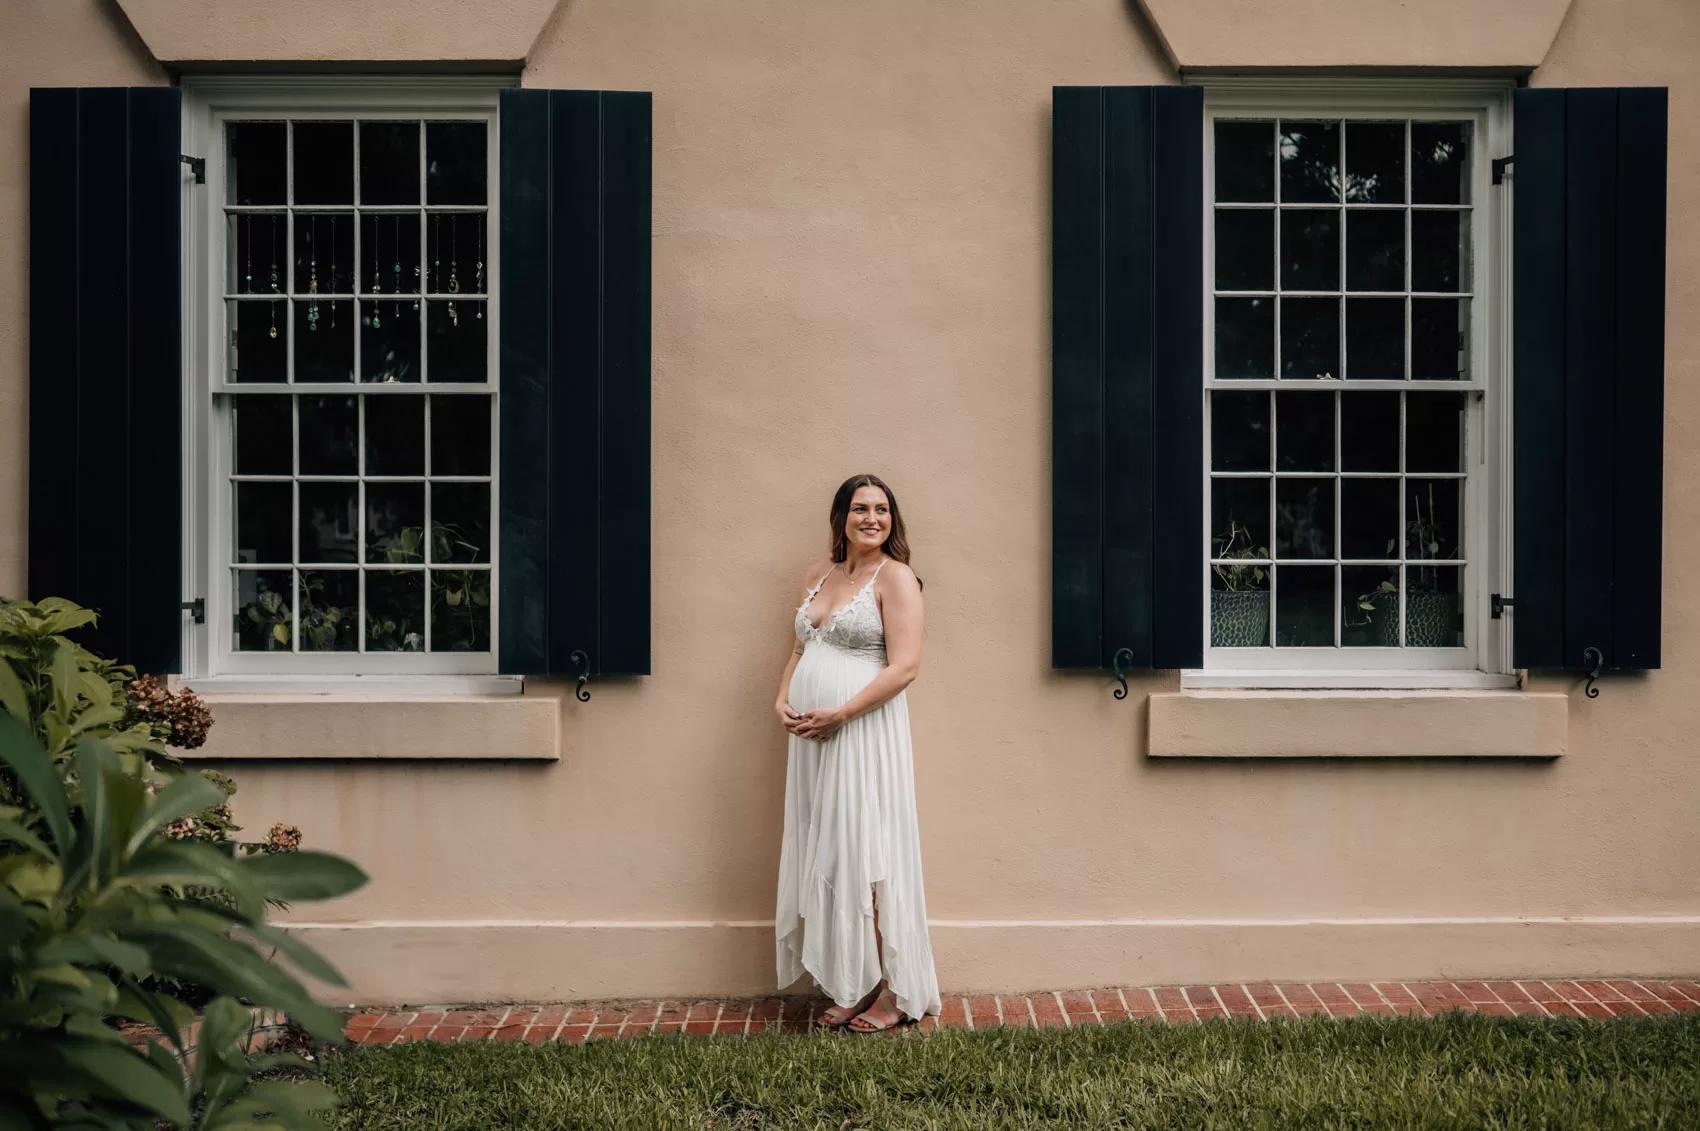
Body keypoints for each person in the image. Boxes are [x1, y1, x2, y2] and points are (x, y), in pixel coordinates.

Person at [774, 473, 942, 1032]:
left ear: (892, 520)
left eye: (882, 509)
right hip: (812, 738)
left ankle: (897, 990)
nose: (872, 518)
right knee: (832, 851)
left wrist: (841, 713)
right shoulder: (816, 574)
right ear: (840, 517)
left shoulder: (896, 579)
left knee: (868, 850)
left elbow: (905, 667)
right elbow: (802, 647)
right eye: (860, 508)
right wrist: (781, 699)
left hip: (862, 732)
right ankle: (854, 981)